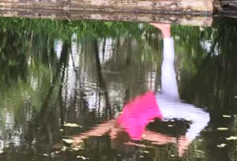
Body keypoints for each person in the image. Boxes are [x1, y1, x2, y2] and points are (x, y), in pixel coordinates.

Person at [69, 23, 210, 156]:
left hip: (164, 104)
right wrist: (177, 140)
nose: (110, 134)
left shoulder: (125, 125)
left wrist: (83, 136)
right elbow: (154, 137)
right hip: (164, 106)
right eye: (112, 136)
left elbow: (102, 130)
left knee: (167, 64)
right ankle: (187, 139)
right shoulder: (127, 126)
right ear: (120, 135)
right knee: (204, 117)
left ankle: (166, 30)